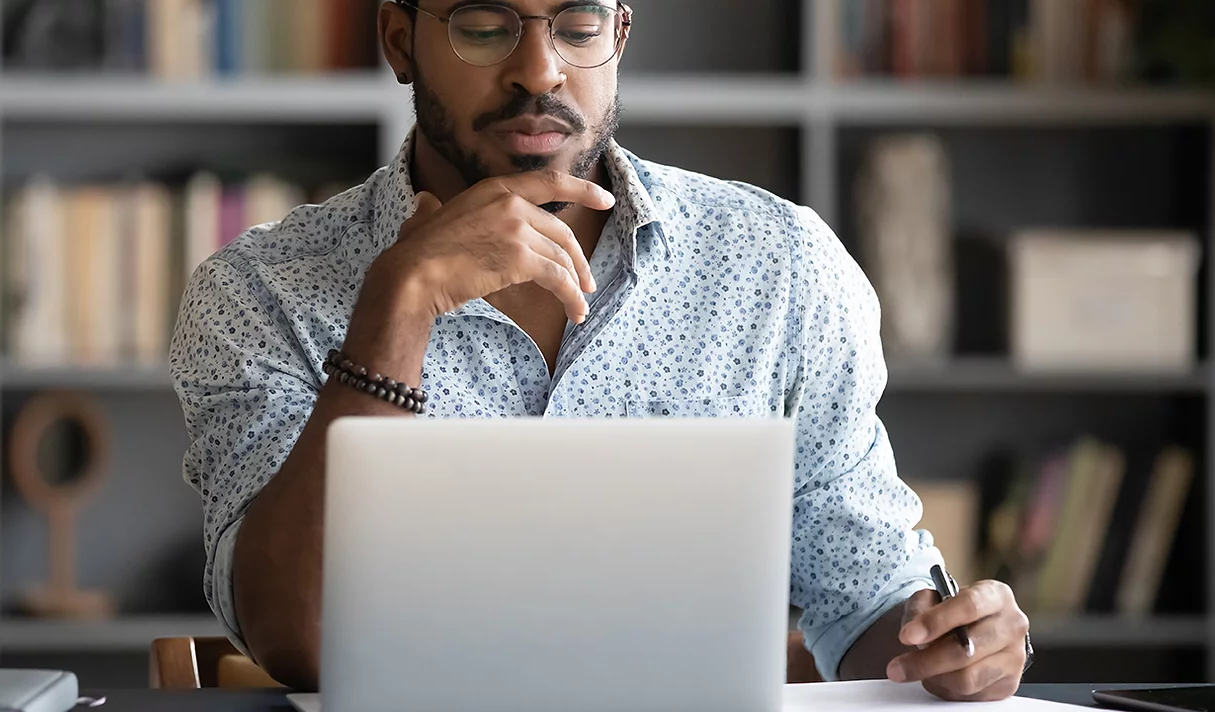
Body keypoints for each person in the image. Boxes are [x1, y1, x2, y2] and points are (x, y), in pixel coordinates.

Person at [170, 0, 1031, 699]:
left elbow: (868, 595)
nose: (540, 71)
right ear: (402, 41)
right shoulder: (260, 292)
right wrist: (396, 308)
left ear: (619, 37)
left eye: (578, 25)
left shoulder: (778, 266)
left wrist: (952, 646)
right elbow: (297, 638)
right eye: (483, 25)